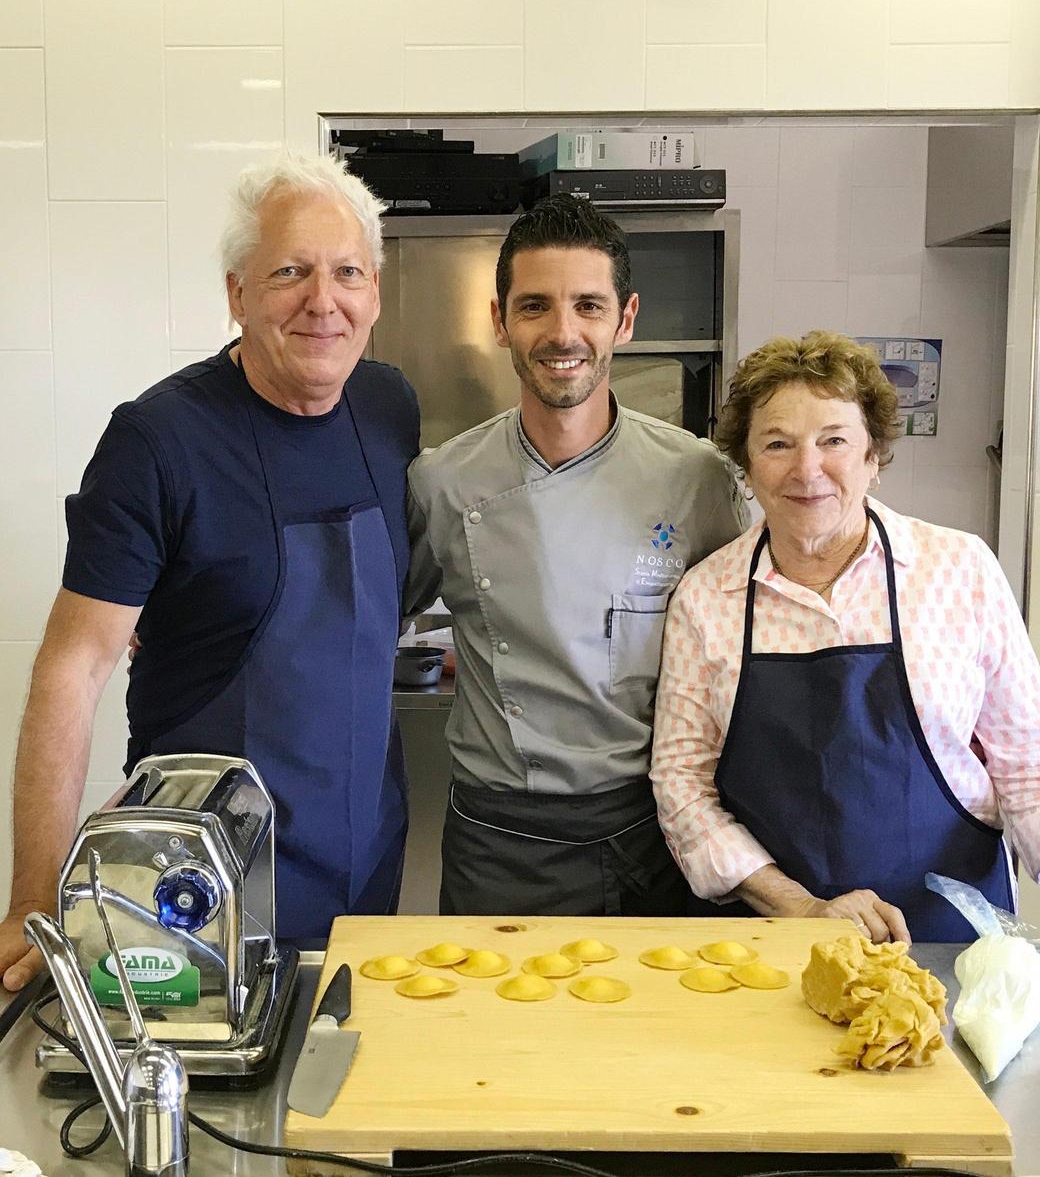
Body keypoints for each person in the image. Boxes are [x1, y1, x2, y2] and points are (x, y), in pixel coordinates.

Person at [0, 153, 418, 987]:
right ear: (237, 293)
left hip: (366, 860)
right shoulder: (158, 442)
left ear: (375, 289)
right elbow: (73, 669)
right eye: (289, 272)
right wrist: (32, 898)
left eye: (347, 273)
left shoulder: (388, 407)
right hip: (199, 886)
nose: (322, 302)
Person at [651, 330, 1040, 955]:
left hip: (949, 935)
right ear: (747, 468)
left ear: (873, 457)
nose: (807, 469)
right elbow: (681, 782)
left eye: (834, 441)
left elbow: (1032, 756)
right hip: (767, 939)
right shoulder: (706, 597)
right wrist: (798, 908)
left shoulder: (957, 570)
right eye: (777, 444)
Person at [405, 195, 748, 916]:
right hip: (500, 836)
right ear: (499, 321)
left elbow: (740, 649)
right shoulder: (444, 480)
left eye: (588, 306)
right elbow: (363, 609)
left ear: (625, 319)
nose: (563, 333)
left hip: (655, 826)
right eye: (535, 306)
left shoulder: (696, 477)